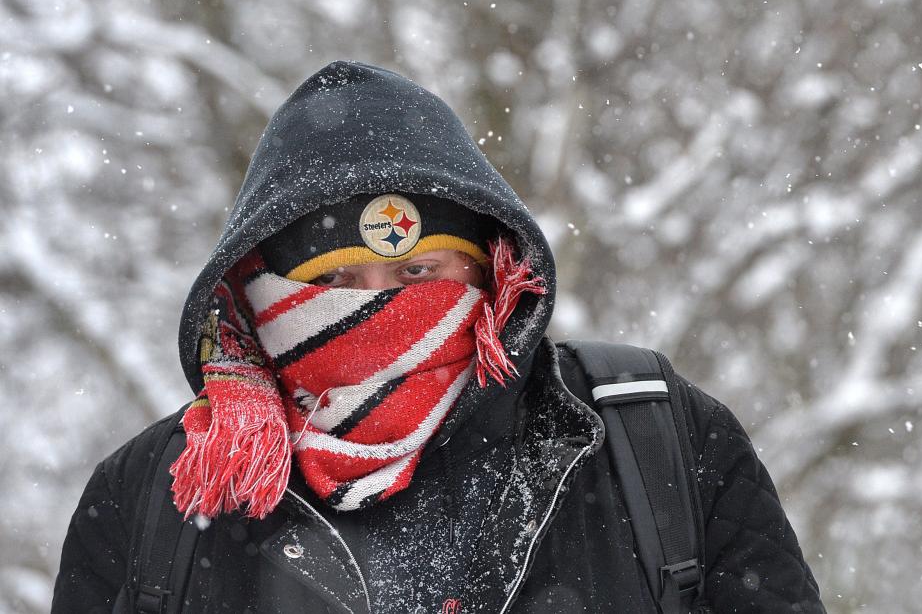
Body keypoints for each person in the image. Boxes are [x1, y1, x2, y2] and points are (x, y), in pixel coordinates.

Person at [53, 61, 827, 613]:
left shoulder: (653, 441)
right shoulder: (160, 493)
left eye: (423, 275)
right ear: (256, 302)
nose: (382, 314)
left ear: (493, 276)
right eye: (333, 286)